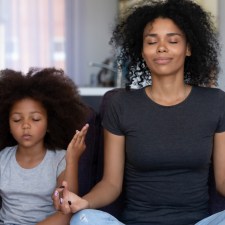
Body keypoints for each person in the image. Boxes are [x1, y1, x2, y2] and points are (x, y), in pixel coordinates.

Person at [53, 0, 225, 224]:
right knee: (84, 219)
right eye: (151, 41)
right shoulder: (121, 104)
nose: (161, 47)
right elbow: (111, 184)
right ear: (142, 51)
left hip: (197, 221)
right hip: (137, 221)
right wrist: (84, 202)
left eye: (173, 40)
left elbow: (222, 181)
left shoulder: (215, 102)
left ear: (189, 48)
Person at [0, 67, 90, 225]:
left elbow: (67, 209)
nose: (25, 125)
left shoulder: (59, 158)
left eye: (35, 119)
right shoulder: (2, 158)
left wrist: (72, 160)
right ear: (7, 124)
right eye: (16, 119)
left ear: (50, 123)